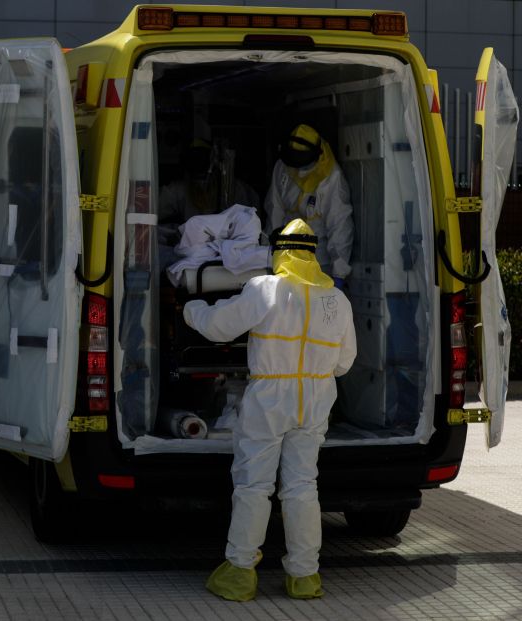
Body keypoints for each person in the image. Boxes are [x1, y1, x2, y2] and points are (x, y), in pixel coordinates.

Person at [183, 218, 356, 601]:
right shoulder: (337, 300)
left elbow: (218, 326)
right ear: (314, 253)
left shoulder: (265, 289)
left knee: (254, 485)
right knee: (302, 486)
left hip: (269, 400)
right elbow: (345, 363)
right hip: (315, 399)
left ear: (278, 251)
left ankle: (240, 573)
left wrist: (191, 309)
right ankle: (305, 577)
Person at [263, 124, 354, 288]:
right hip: (285, 262)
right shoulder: (283, 167)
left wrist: (339, 274)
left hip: (320, 267)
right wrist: (268, 256)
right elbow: (274, 210)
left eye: (303, 164)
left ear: (315, 157)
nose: (299, 170)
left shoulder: (332, 179)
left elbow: (340, 226)